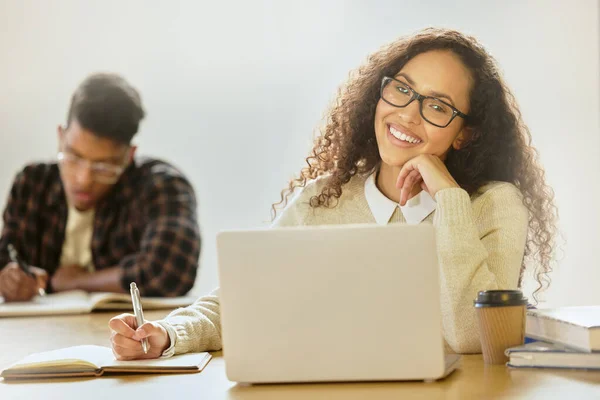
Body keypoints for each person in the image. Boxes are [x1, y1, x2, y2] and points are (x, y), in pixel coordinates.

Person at [109, 28, 556, 360]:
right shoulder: (322, 200)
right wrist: (167, 334)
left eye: (437, 106)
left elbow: (470, 335)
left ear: (464, 134)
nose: (408, 114)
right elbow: (243, 300)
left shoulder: (493, 206)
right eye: (402, 89)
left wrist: (449, 199)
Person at [0, 73, 201, 301]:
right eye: (73, 157)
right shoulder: (32, 184)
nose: (83, 179)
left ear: (129, 156)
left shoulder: (162, 186)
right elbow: (6, 257)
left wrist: (75, 282)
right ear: (60, 136)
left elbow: (170, 272)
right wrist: (10, 279)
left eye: (103, 167)